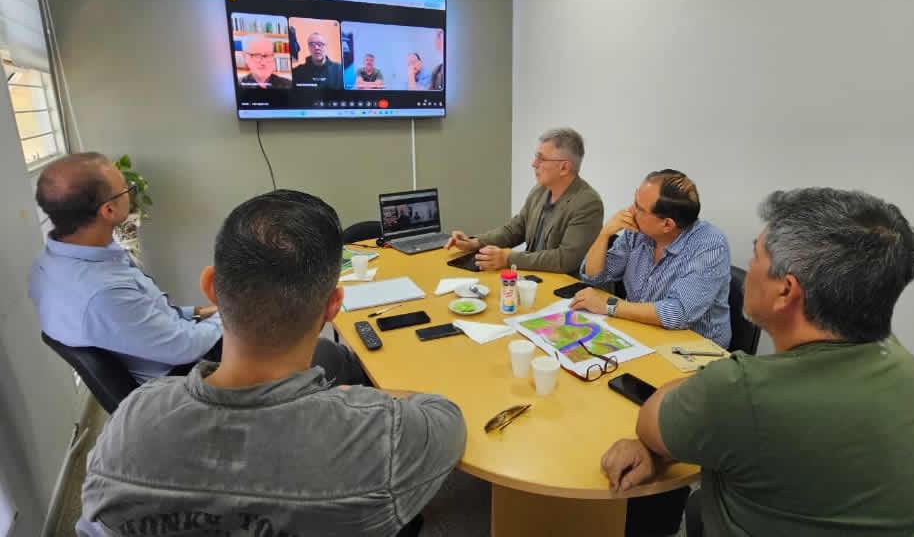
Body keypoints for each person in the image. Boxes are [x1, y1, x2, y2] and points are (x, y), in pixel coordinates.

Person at [79, 190, 467, 537]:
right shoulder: (381, 433)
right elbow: (446, 415)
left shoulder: (131, 422)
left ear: (211, 287)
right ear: (333, 305)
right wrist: (374, 399)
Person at [600, 188, 914, 536]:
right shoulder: (901, 360)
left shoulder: (743, 390)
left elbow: (650, 423)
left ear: (786, 291)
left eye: (756, 255)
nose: (746, 268)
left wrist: (682, 420)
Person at [29, 153, 223, 382]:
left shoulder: (47, 264)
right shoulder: (103, 293)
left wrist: (202, 313)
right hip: (183, 376)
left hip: (173, 346)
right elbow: (185, 347)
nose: (130, 193)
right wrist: (233, 315)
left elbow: (142, 319)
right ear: (109, 210)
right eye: (126, 189)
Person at [572, 169, 731, 348]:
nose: (630, 210)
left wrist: (609, 305)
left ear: (667, 224)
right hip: (641, 332)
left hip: (693, 350)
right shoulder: (638, 232)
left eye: (639, 208)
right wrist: (604, 234)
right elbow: (595, 277)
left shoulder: (710, 245)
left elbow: (677, 313)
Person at [445, 127, 604, 273]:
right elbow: (515, 229)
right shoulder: (540, 190)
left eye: (542, 159)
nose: (534, 164)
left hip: (563, 286)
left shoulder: (588, 203)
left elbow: (565, 260)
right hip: (532, 278)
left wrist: (508, 259)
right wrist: (475, 243)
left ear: (564, 167)